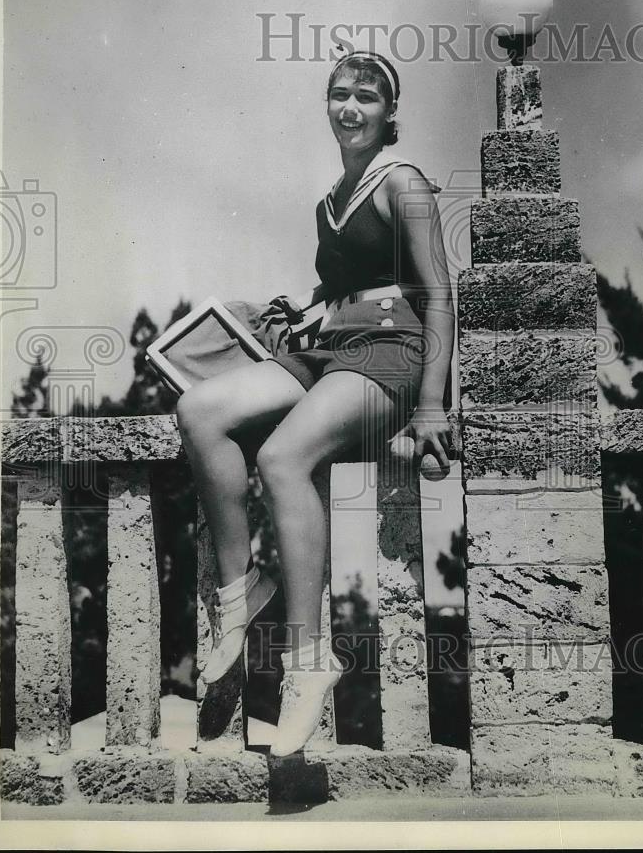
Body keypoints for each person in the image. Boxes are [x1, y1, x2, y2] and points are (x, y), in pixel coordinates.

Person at [176, 50, 454, 757]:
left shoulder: (406, 184)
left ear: (389, 114)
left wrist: (429, 406)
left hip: (389, 357)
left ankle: (306, 663)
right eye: (339, 95)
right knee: (200, 410)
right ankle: (240, 598)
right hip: (327, 351)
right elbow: (345, 294)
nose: (350, 107)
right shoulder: (330, 201)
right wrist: (298, 314)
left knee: (281, 455)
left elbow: (437, 295)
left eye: (366, 96)